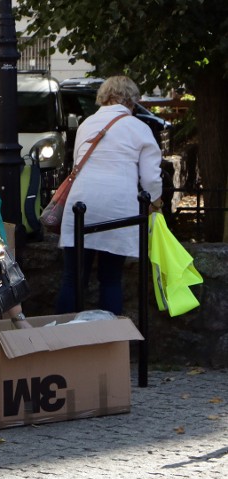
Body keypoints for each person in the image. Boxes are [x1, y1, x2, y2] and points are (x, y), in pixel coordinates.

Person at [56, 76, 163, 315]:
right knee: (111, 279)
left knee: (72, 278)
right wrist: (156, 203)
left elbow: (77, 162)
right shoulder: (139, 128)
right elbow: (150, 179)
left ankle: (63, 340)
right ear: (132, 100)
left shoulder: (87, 124)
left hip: (80, 204)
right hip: (117, 208)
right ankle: (108, 344)